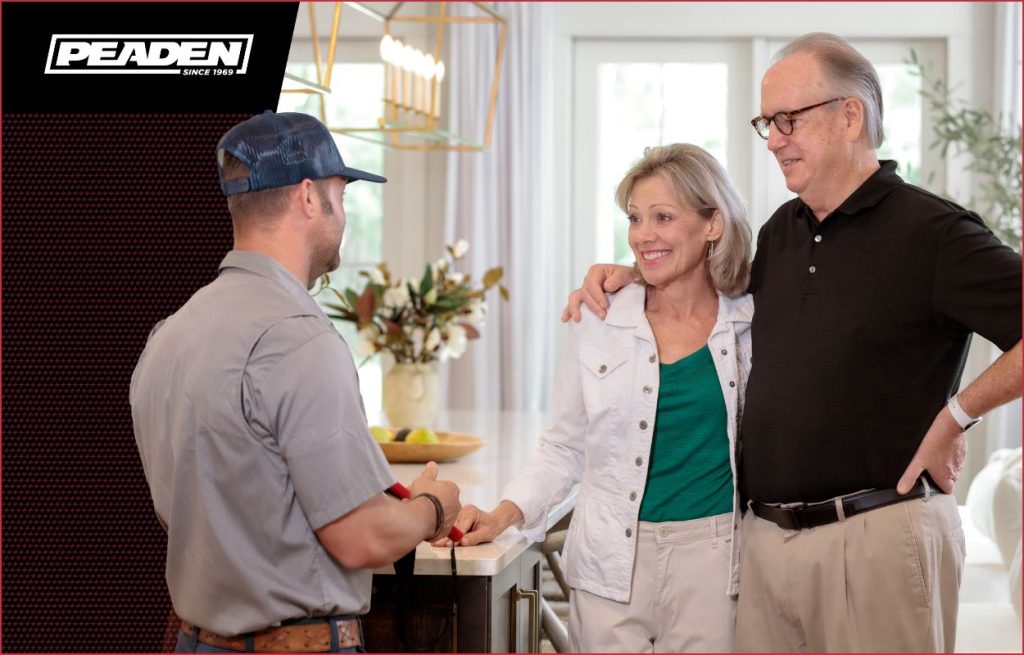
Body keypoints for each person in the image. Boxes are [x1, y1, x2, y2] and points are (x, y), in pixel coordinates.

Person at [564, 33, 1022, 652]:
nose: (774, 138)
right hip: (765, 549)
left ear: (850, 115)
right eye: (767, 123)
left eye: (788, 119)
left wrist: (956, 416)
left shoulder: (933, 232)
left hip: (877, 536)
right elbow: (710, 296)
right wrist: (631, 275)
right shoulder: (783, 231)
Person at [130, 111, 462, 654]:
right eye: (342, 193)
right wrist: (432, 507)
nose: (344, 212)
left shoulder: (172, 333)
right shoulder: (299, 339)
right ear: (309, 197)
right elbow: (361, 539)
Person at [439, 144, 753, 652]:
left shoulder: (749, 321)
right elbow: (564, 447)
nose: (643, 235)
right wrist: (504, 513)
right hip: (609, 557)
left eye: (663, 217)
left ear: (712, 224)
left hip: (715, 561)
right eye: (634, 218)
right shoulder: (600, 318)